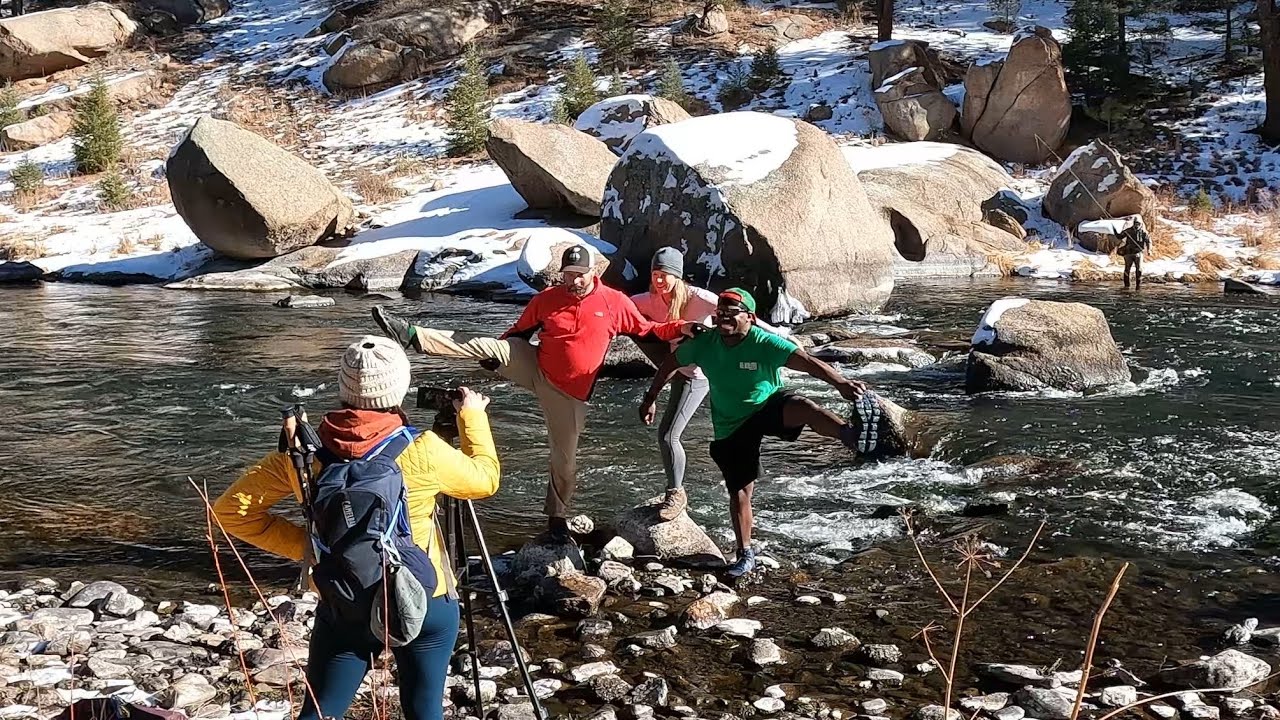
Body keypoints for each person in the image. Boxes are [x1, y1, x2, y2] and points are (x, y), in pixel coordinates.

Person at [213, 336, 500, 720]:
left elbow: (231, 511)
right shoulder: (425, 448)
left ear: (343, 386)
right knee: (424, 709)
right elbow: (485, 480)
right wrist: (472, 417)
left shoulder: (303, 455)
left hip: (343, 595)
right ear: (400, 386)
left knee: (321, 710)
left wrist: (310, 548)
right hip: (423, 596)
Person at [370, 244, 692, 542]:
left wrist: (682, 328)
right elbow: (517, 334)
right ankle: (414, 335)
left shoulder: (613, 302)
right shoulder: (547, 299)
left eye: (579, 276)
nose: (573, 281)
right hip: (535, 366)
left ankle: (556, 519)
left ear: (593, 273)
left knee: (564, 462)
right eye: (568, 275)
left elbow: (649, 330)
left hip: (569, 395)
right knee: (491, 345)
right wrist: (497, 359)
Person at [638, 288, 875, 579]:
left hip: (767, 404)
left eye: (731, 312)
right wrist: (650, 399)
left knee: (803, 406)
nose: (723, 317)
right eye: (720, 313)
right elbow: (670, 365)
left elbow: (809, 363)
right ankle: (745, 553)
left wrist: (840, 384)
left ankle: (850, 435)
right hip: (731, 424)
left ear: (749, 317)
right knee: (740, 491)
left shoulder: (765, 342)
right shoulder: (705, 344)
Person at [630, 247, 790, 521]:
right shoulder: (647, 300)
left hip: (699, 375)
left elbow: (746, 316)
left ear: (678, 276)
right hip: (676, 367)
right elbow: (620, 307)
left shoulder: (701, 298)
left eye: (665, 275)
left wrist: (782, 338)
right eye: (655, 274)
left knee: (669, 435)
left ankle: (676, 494)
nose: (659, 281)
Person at [1119, 215, 1152, 290]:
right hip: (1128, 253)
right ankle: (1126, 286)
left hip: (1139, 253)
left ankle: (1138, 286)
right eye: (1136, 223)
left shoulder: (1144, 232)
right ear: (1133, 223)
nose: (1137, 225)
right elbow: (1120, 237)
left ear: (1141, 224)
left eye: (1138, 224)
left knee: (1139, 269)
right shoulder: (1128, 230)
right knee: (1127, 269)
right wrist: (1117, 232)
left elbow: (1148, 241)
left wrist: (1149, 250)